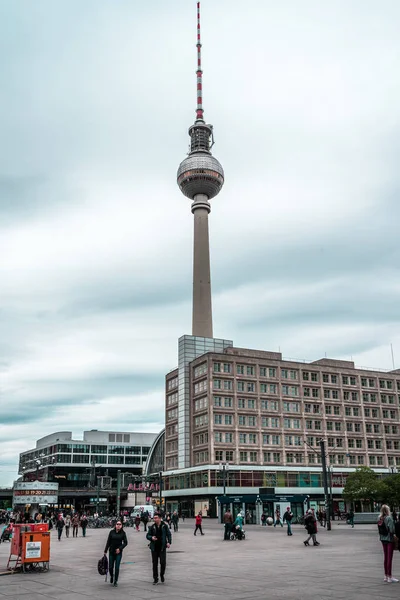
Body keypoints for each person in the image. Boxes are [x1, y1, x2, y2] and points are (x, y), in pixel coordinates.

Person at [146, 512, 171, 585]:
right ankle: (155, 578)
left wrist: (169, 542)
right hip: (154, 548)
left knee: (163, 563)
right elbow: (147, 535)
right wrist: (151, 537)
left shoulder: (164, 526)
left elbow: (168, 534)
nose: (155, 519)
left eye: (156, 518)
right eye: (154, 518)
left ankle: (162, 575)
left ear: (160, 518)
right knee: (154, 563)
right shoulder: (152, 527)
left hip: (162, 547)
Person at [104, 519, 128, 587]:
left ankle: (115, 581)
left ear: (122, 526)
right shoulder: (111, 532)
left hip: (118, 552)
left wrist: (120, 548)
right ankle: (112, 576)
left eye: (120, 524)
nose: (118, 525)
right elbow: (108, 541)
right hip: (111, 551)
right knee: (110, 567)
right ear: (115, 525)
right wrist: (105, 550)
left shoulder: (123, 533)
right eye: (117, 524)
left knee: (117, 567)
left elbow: (126, 542)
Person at [378, 504, 397, 583]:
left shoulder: (379, 518)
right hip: (389, 539)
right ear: (387, 510)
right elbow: (392, 529)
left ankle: (385, 576)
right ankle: (390, 576)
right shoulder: (389, 518)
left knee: (386, 558)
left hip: (383, 539)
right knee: (390, 558)